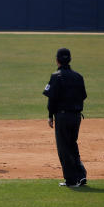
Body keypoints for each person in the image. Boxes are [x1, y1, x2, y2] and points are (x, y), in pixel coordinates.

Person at [44, 47, 88, 187]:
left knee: (64, 148)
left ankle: (71, 180)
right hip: (76, 117)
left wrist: (50, 116)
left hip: (62, 117)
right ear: (70, 59)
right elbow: (83, 96)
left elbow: (51, 99)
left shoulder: (56, 76)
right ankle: (81, 176)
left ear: (57, 60)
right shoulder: (78, 76)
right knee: (72, 145)